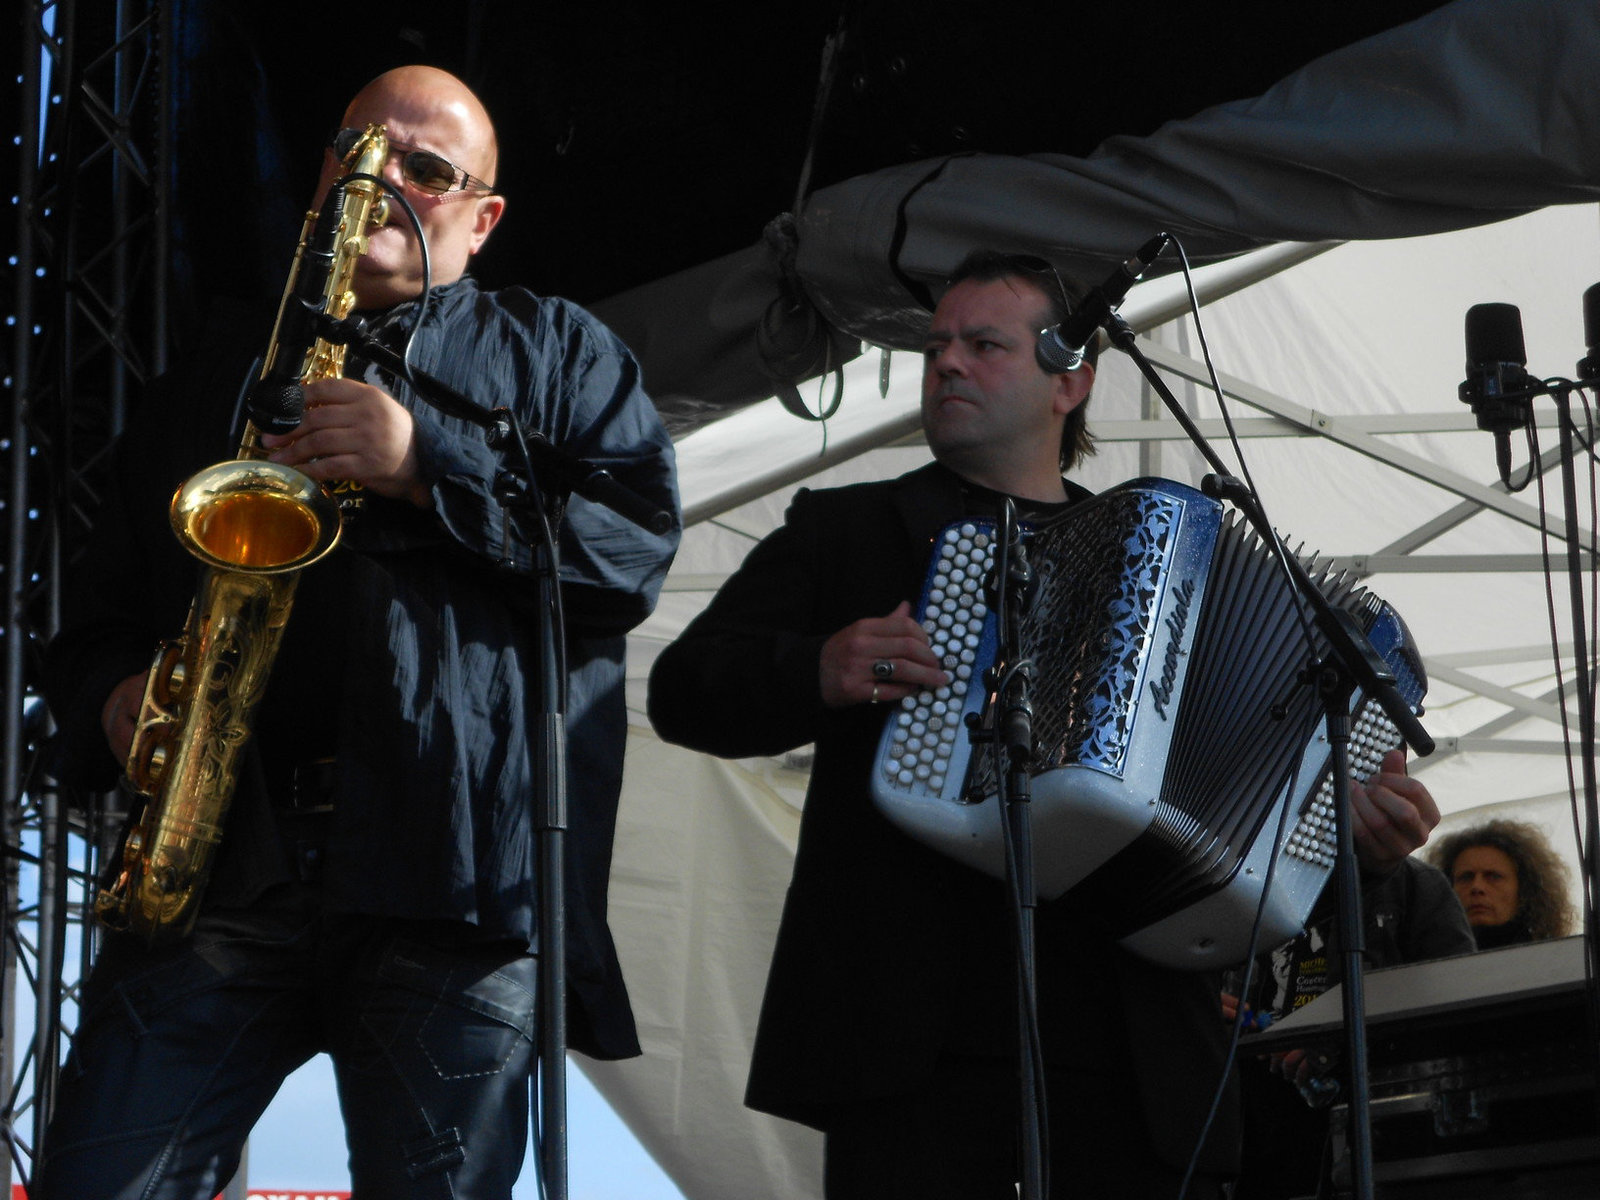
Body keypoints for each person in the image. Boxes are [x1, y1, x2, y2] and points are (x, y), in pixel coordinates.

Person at [646, 251, 1441, 1198]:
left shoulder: (1170, 570)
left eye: (984, 344)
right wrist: (814, 667)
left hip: (1136, 1052)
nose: (946, 365)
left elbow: (1262, 817)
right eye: (937, 346)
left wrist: (1361, 841)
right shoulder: (847, 532)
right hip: (919, 1051)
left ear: (1074, 380)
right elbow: (682, 688)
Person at [39, 65, 679, 1198]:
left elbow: (627, 554)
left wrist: (426, 468)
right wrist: (113, 696)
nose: (381, 181)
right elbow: (97, 609)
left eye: (426, 171)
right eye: (357, 153)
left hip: (456, 884)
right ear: (321, 177)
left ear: (481, 223)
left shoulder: (559, 351)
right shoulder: (219, 362)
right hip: (222, 869)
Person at [1427, 817, 1577, 947]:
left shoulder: (1555, 961)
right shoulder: (1428, 965)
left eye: (1493, 876)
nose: (1477, 887)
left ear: (1525, 890)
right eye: (1466, 877)